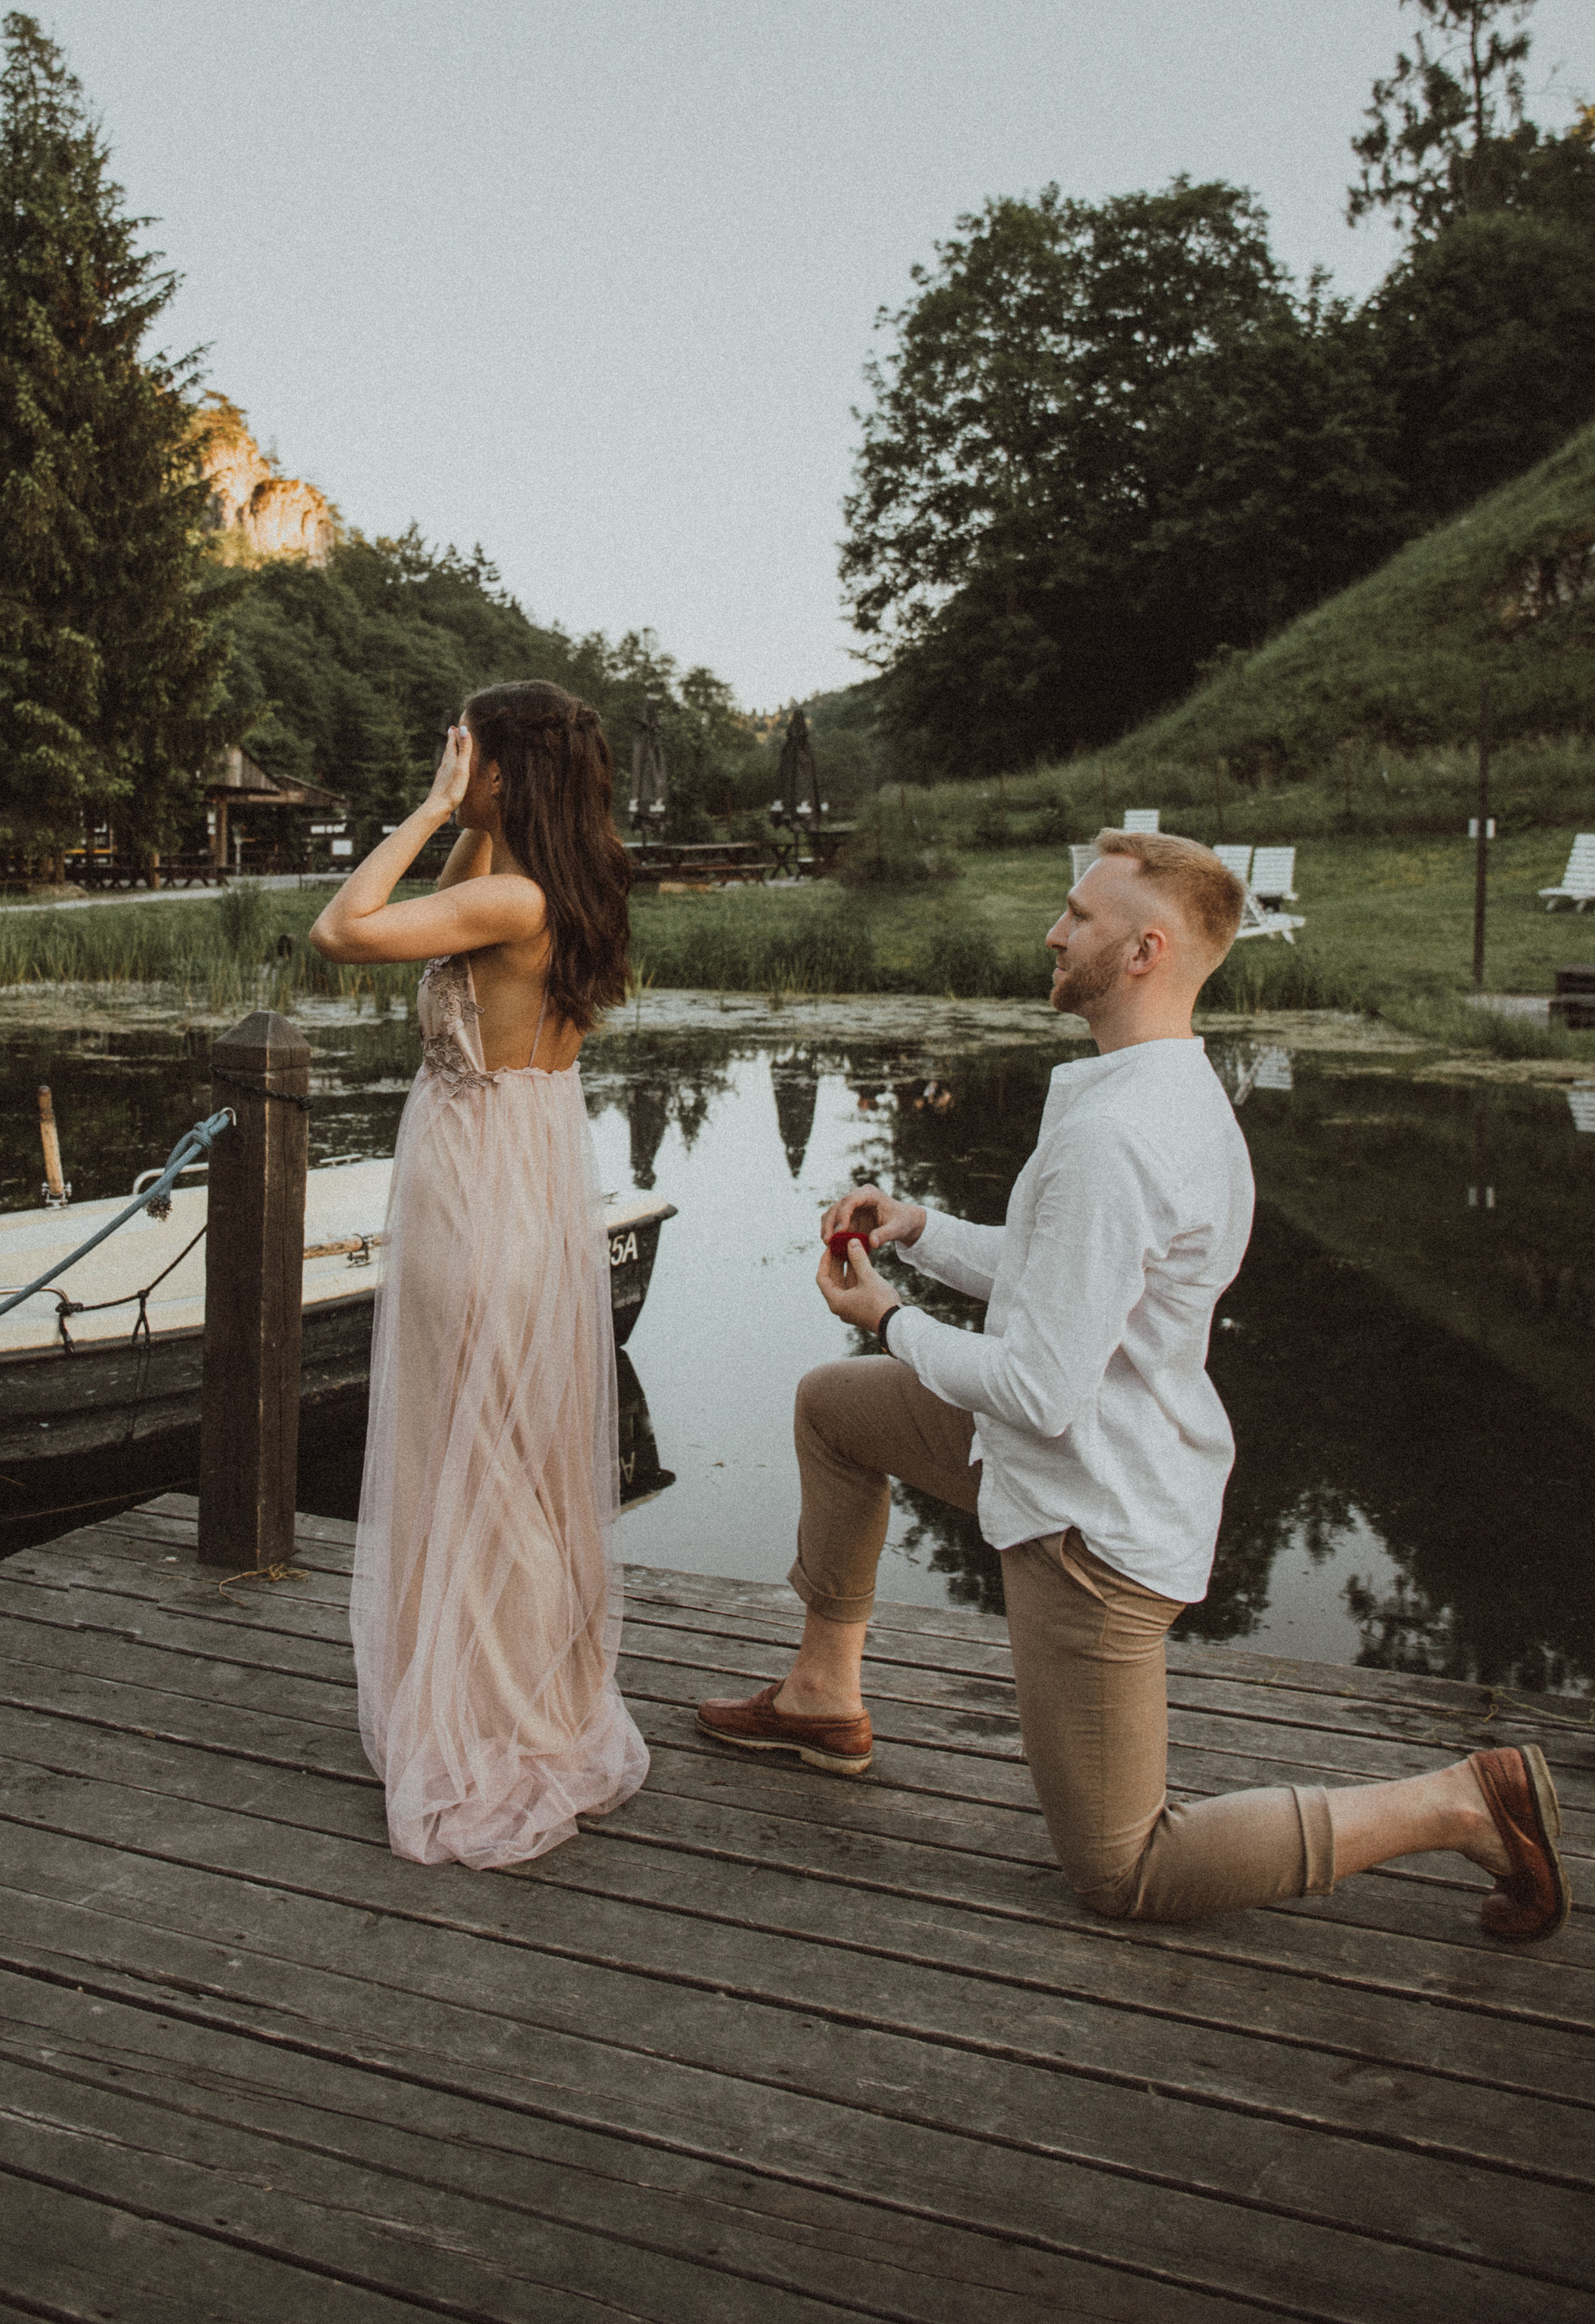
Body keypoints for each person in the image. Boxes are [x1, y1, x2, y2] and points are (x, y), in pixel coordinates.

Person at [697, 831, 1568, 1939]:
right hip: (1066, 1446)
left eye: (1079, 917)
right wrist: (917, 1232)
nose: (1054, 932)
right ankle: (822, 1698)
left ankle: (1459, 1804)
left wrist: (890, 1318)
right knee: (835, 1408)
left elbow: (1040, 1389)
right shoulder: (1158, 1092)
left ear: (1145, 950)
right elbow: (1066, 1274)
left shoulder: (1118, 1137)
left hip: (1086, 1515)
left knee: (1127, 1872)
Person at [311, 682, 648, 1868]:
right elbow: (459, 876)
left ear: (499, 770)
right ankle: (520, 1697)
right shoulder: (556, 879)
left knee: (474, 1444)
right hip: (531, 1162)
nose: (448, 760)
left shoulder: (506, 898)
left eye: (465, 749)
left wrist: (427, 802)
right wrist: (476, 804)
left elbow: (343, 928)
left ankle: (490, 1716)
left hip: (474, 1183)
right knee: (503, 1442)